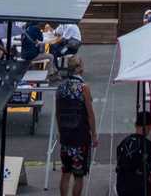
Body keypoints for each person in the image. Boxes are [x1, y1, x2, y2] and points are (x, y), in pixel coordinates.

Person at [55, 55, 96, 196]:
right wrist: (94, 135)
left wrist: (61, 131)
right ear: (79, 69)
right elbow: (90, 114)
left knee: (65, 172)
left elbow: (58, 113)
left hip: (66, 136)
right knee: (78, 175)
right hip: (80, 136)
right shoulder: (83, 88)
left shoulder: (60, 88)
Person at [115, 110, 151, 196]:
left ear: (135, 125)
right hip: (139, 189)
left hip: (122, 187)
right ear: (149, 127)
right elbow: (150, 173)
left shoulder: (123, 143)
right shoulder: (148, 146)